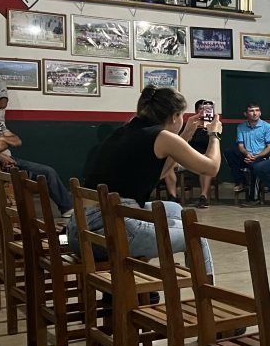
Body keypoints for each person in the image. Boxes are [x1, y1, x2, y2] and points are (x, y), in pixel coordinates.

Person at [67, 86, 220, 274]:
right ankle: (207, 291)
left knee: (174, 210)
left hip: (79, 227)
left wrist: (187, 133)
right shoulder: (162, 136)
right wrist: (214, 135)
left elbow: (160, 173)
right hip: (105, 233)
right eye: (181, 115)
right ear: (174, 117)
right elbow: (211, 167)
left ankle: (144, 281)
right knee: (196, 235)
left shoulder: (128, 129)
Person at [0, 87, 75, 216]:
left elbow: (17, 140)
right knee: (46, 172)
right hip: (0, 164)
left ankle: (67, 209)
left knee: (48, 171)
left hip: (9, 159)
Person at [163, 99, 216, 208]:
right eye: (201, 109)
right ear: (196, 111)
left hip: (201, 157)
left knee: (206, 167)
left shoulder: (212, 127)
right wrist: (190, 132)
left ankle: (203, 197)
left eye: (206, 109)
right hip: (185, 158)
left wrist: (211, 130)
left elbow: (212, 147)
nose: (203, 112)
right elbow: (179, 142)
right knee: (168, 164)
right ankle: (173, 196)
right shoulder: (190, 124)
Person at [224, 103, 270, 199]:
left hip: (261, 157)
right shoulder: (241, 127)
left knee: (255, 165)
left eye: (257, 110)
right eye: (251, 111)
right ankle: (241, 182)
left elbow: (268, 148)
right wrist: (247, 154)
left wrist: (256, 157)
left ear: (260, 113)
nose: (255, 113)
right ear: (245, 114)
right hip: (246, 155)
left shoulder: (268, 127)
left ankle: (254, 198)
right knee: (229, 152)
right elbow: (240, 146)